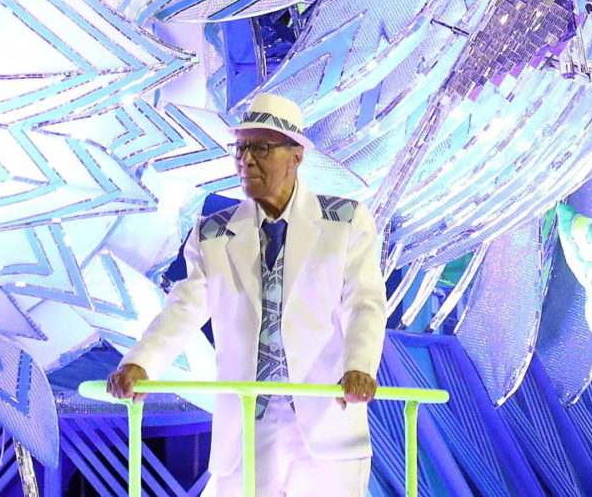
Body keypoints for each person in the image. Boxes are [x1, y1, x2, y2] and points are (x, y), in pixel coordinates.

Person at [110, 94, 387, 497]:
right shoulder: (213, 231)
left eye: (262, 148)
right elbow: (184, 307)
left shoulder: (343, 220)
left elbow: (364, 301)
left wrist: (359, 366)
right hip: (246, 421)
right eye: (240, 149)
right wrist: (141, 362)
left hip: (326, 412)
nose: (246, 160)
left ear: (296, 156)